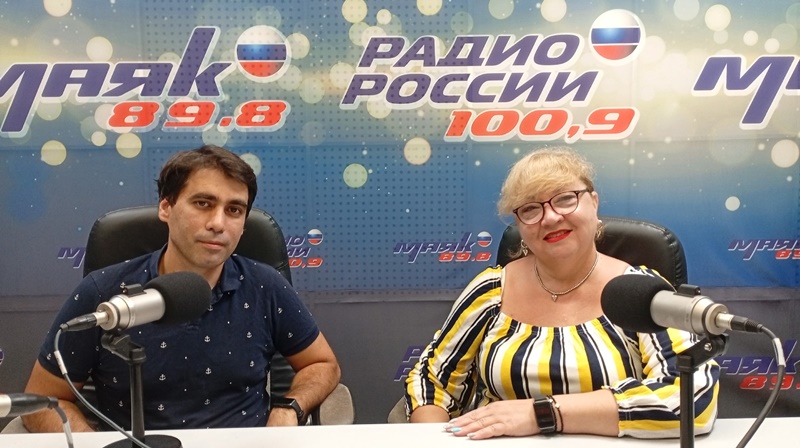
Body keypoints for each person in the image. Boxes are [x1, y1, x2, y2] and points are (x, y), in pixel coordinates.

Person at [405, 146, 719, 439]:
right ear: (520, 224)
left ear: (593, 202)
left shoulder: (641, 292)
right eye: (531, 209)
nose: (551, 217)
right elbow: (431, 381)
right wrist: (433, 440)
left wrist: (541, 413)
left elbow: (693, 399)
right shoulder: (491, 290)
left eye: (566, 199)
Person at [23, 144, 341, 432]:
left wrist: (289, 408)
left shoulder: (265, 286)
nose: (218, 223)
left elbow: (322, 364)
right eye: (203, 203)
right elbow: (42, 400)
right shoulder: (104, 293)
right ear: (166, 207)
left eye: (234, 210)